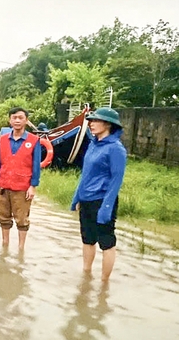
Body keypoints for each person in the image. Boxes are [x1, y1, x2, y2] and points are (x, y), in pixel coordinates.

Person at [70, 107, 126, 281]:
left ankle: (104, 282)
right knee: (87, 239)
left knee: (106, 242)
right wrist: (77, 197)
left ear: (108, 124)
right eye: (90, 121)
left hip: (102, 200)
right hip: (86, 200)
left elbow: (116, 180)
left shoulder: (115, 149)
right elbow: (86, 173)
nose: (91, 124)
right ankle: (86, 275)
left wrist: (106, 207)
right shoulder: (93, 144)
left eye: (95, 121)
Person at [0, 107, 41, 250]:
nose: (17, 120)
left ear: (26, 120)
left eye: (20, 117)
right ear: (10, 120)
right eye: (14, 118)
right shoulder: (3, 139)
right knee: (3, 217)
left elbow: (36, 165)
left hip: (23, 186)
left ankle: (20, 248)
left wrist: (33, 186)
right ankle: (5, 244)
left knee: (22, 219)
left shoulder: (34, 140)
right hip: (4, 184)